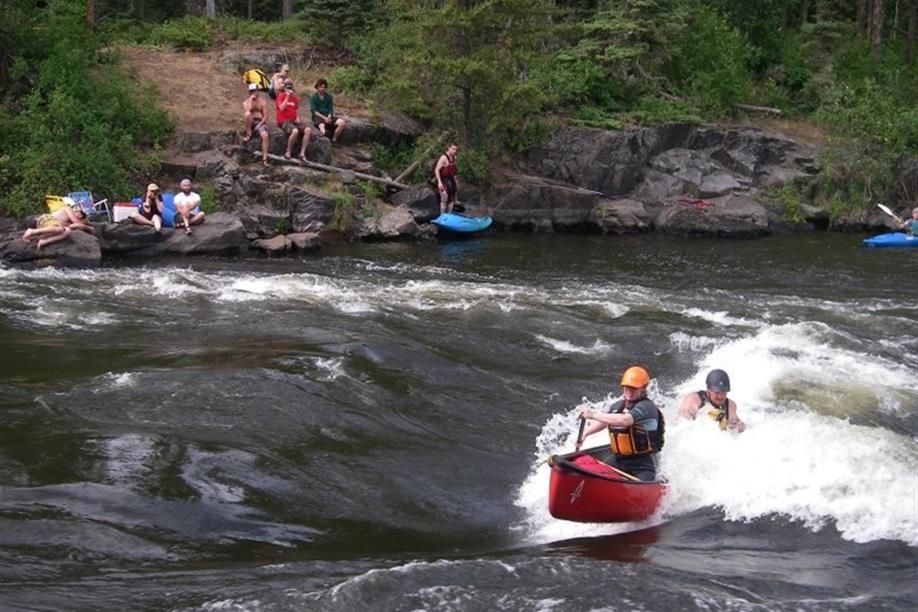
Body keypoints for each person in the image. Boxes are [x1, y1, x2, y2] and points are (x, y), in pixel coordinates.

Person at [577, 365, 665, 482]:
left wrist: (593, 414)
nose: (628, 391)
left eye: (633, 388)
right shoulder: (618, 405)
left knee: (642, 484)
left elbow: (625, 420)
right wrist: (585, 434)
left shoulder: (647, 407)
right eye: (626, 387)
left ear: (643, 388)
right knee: (593, 473)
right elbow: (603, 422)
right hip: (618, 460)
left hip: (642, 465)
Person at [678, 369, 746, 432]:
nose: (721, 397)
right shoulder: (694, 399)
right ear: (708, 389)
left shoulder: (730, 406)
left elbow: (737, 430)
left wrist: (738, 426)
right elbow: (682, 423)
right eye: (717, 392)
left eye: (724, 392)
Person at [22, 199, 95, 251]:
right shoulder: (68, 209)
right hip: (47, 219)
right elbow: (77, 222)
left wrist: (85, 226)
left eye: (81, 217)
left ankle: (43, 242)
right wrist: (88, 227)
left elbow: (75, 226)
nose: (79, 216)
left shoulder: (69, 223)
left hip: (51, 227)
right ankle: (32, 231)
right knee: (60, 229)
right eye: (79, 214)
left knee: (67, 231)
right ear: (76, 211)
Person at [276, 79, 311, 161]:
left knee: (308, 130)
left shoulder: (294, 99)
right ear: (284, 88)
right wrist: (287, 97)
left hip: (293, 120)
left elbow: (296, 110)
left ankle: (302, 153)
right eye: (287, 88)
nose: (289, 90)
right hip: (283, 120)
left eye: (290, 88)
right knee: (295, 131)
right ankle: (288, 151)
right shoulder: (281, 96)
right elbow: (281, 108)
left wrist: (297, 118)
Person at [309, 78, 346, 143]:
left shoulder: (329, 97)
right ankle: (325, 134)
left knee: (342, 123)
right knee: (322, 125)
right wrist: (325, 118)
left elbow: (330, 109)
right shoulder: (313, 97)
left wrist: (329, 116)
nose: (322, 89)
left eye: (323, 87)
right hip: (318, 116)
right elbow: (314, 111)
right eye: (320, 87)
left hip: (327, 115)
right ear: (317, 87)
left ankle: (334, 139)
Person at [242, 83, 269, 167]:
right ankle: (248, 134)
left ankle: (264, 159)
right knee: (247, 114)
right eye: (253, 91)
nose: (255, 93)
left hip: (259, 121)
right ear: (250, 92)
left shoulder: (262, 102)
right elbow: (248, 109)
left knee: (265, 136)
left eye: (256, 91)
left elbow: (265, 115)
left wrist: (260, 124)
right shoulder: (246, 102)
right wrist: (251, 100)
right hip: (251, 121)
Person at [433, 143, 459, 214]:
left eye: (456, 149)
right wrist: (439, 182)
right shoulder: (443, 158)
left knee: (452, 199)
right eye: (453, 149)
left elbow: (453, 171)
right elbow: (436, 170)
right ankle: (442, 217)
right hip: (443, 180)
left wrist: (455, 181)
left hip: (450, 180)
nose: (455, 151)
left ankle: (449, 216)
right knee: (444, 198)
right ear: (449, 148)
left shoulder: (454, 158)